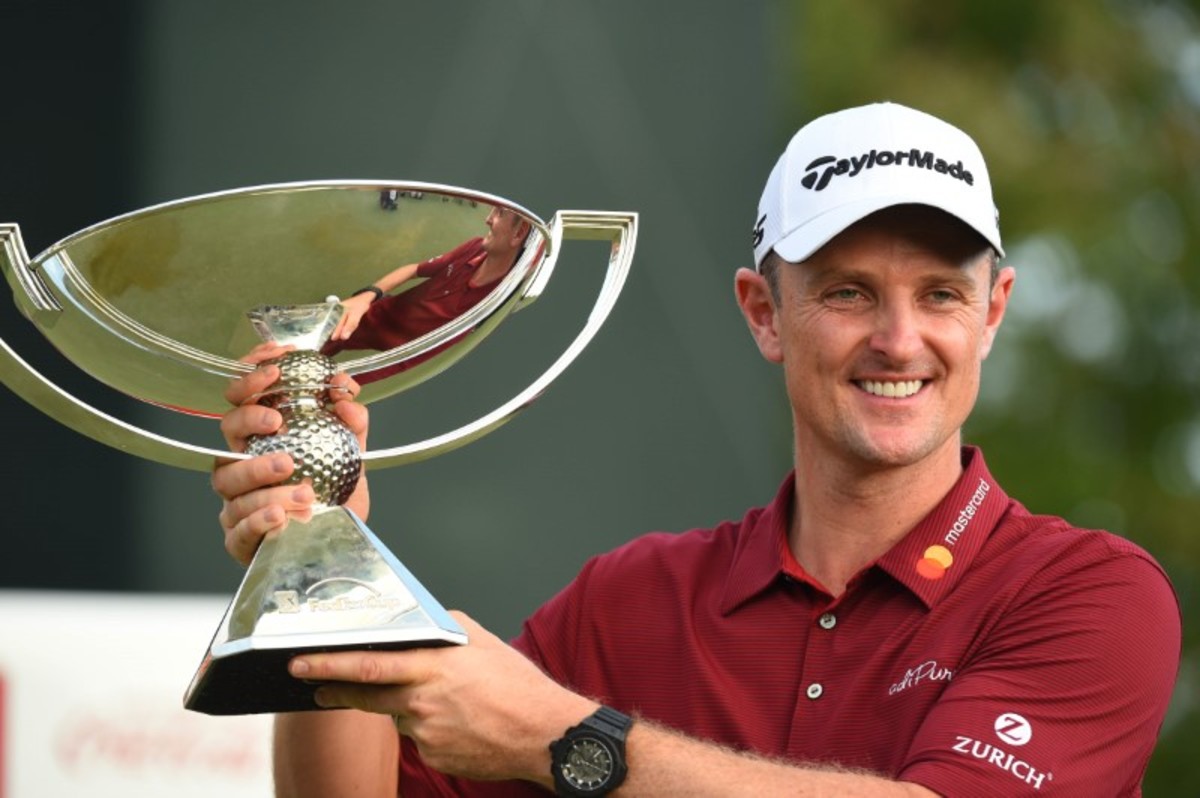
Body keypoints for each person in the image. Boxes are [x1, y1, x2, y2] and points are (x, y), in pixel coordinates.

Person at [213, 102, 1181, 796]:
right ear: (764, 313)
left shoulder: (1089, 595)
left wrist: (563, 738)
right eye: (848, 292)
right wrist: (321, 553)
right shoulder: (629, 603)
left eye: (940, 295)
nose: (898, 340)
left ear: (993, 312)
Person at [322, 204, 530, 358]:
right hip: (381, 315)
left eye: (499, 213)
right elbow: (414, 270)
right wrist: (367, 296)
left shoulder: (499, 301)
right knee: (321, 332)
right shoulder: (474, 247)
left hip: (405, 359)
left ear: (518, 233)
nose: (488, 219)